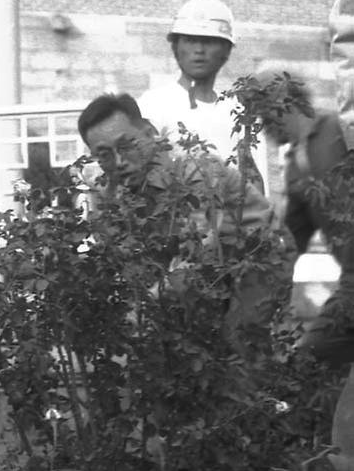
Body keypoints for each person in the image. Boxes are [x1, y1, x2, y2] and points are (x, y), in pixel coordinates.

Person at [78, 93, 285, 349]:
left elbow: (200, 251)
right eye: (105, 155)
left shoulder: (193, 169)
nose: (119, 162)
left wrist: (145, 307)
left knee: (240, 348)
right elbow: (125, 263)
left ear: (149, 131)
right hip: (206, 277)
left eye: (126, 145)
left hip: (257, 260)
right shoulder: (114, 196)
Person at [256, 75, 354, 363]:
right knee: (312, 356)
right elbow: (292, 238)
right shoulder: (294, 166)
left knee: (315, 353)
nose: (263, 128)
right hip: (350, 278)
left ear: (282, 106)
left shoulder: (338, 130)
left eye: (263, 117)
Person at [137, 0, 266, 188]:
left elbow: (252, 183)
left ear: (227, 50)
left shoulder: (236, 109)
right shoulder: (153, 104)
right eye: (190, 40)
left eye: (208, 41)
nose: (199, 50)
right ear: (175, 47)